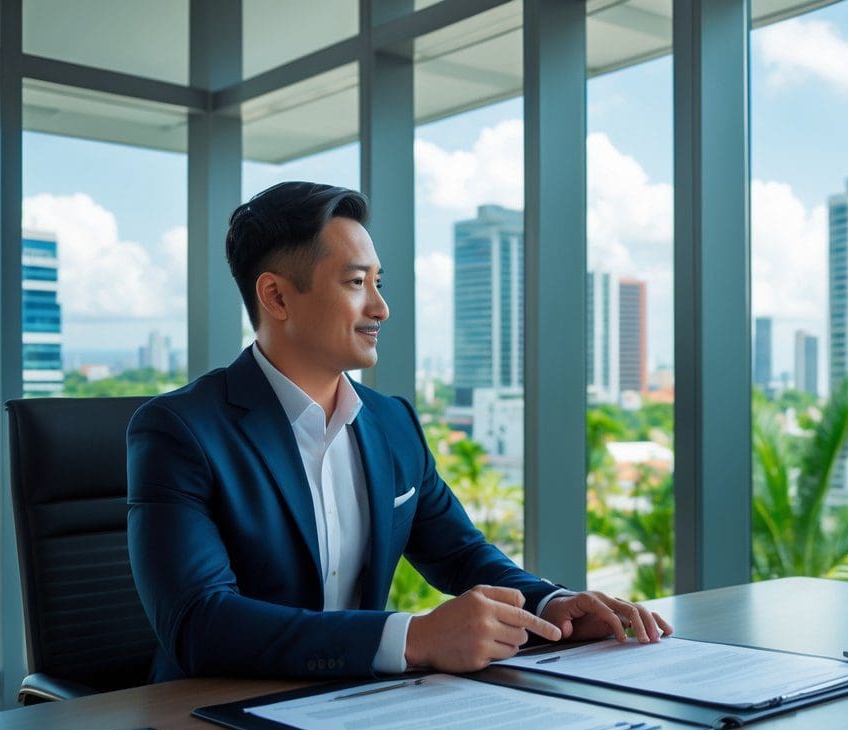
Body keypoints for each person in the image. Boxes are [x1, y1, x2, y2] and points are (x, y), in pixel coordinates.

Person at [128, 181, 671, 683]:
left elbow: (461, 554)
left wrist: (551, 605)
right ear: (276, 296)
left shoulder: (392, 421)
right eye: (356, 282)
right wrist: (413, 638)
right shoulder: (180, 431)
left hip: (364, 706)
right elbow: (200, 623)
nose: (380, 307)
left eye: (378, 283)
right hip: (213, 716)